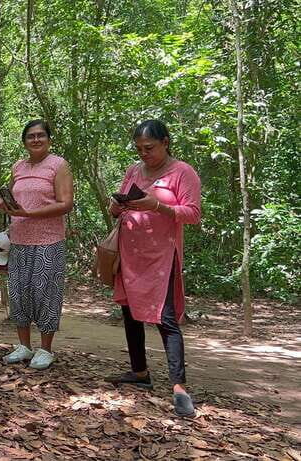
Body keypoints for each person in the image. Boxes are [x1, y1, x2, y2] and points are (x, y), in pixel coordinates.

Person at [107, 119, 201, 418]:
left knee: (166, 319)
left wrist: (156, 206)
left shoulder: (182, 172)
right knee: (130, 312)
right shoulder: (134, 170)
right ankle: (139, 372)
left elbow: (193, 214)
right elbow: (120, 202)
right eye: (138, 149)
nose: (143, 154)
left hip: (161, 256)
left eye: (149, 148)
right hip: (130, 252)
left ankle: (180, 387)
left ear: (165, 142)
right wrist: (117, 206)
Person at [0, 120, 73, 370]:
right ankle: (24, 346)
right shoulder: (18, 167)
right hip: (19, 239)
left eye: (40, 136)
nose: (36, 140)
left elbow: (66, 203)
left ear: (49, 139)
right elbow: (18, 202)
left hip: (48, 240)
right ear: (24, 141)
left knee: (46, 293)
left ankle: (45, 349)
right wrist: (1, 203)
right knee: (19, 293)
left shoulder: (59, 165)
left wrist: (31, 214)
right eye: (30, 136)